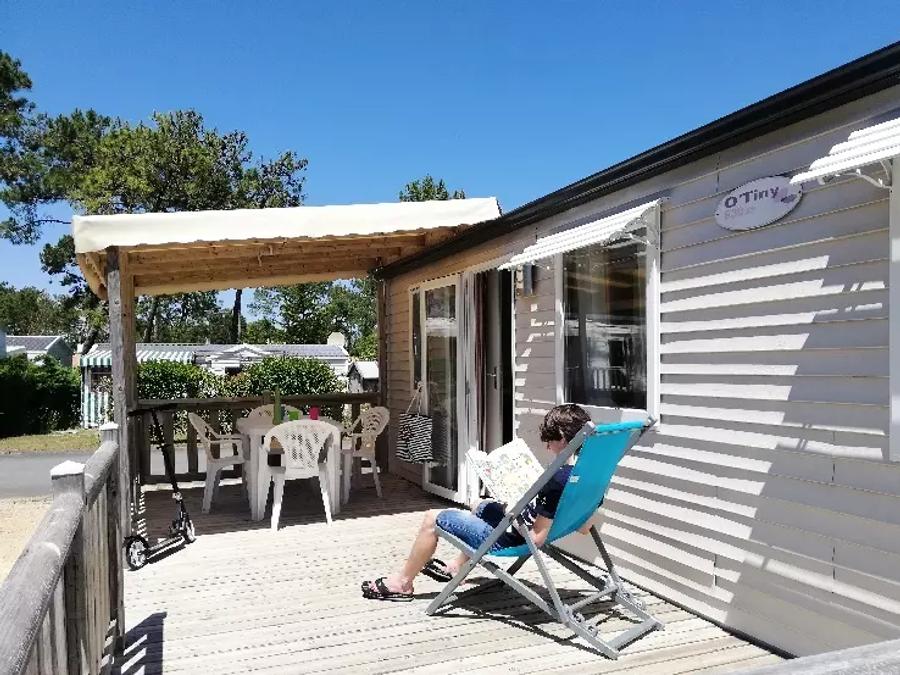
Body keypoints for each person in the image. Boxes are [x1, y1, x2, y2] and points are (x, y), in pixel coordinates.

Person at [361, 403, 591, 601]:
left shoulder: (558, 480)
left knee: (432, 518)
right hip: (524, 524)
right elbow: (584, 527)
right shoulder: (589, 474)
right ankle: (457, 566)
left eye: (549, 441)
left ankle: (402, 583)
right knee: (479, 505)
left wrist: (512, 511)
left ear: (562, 438)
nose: (547, 447)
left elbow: (536, 539)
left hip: (511, 538)